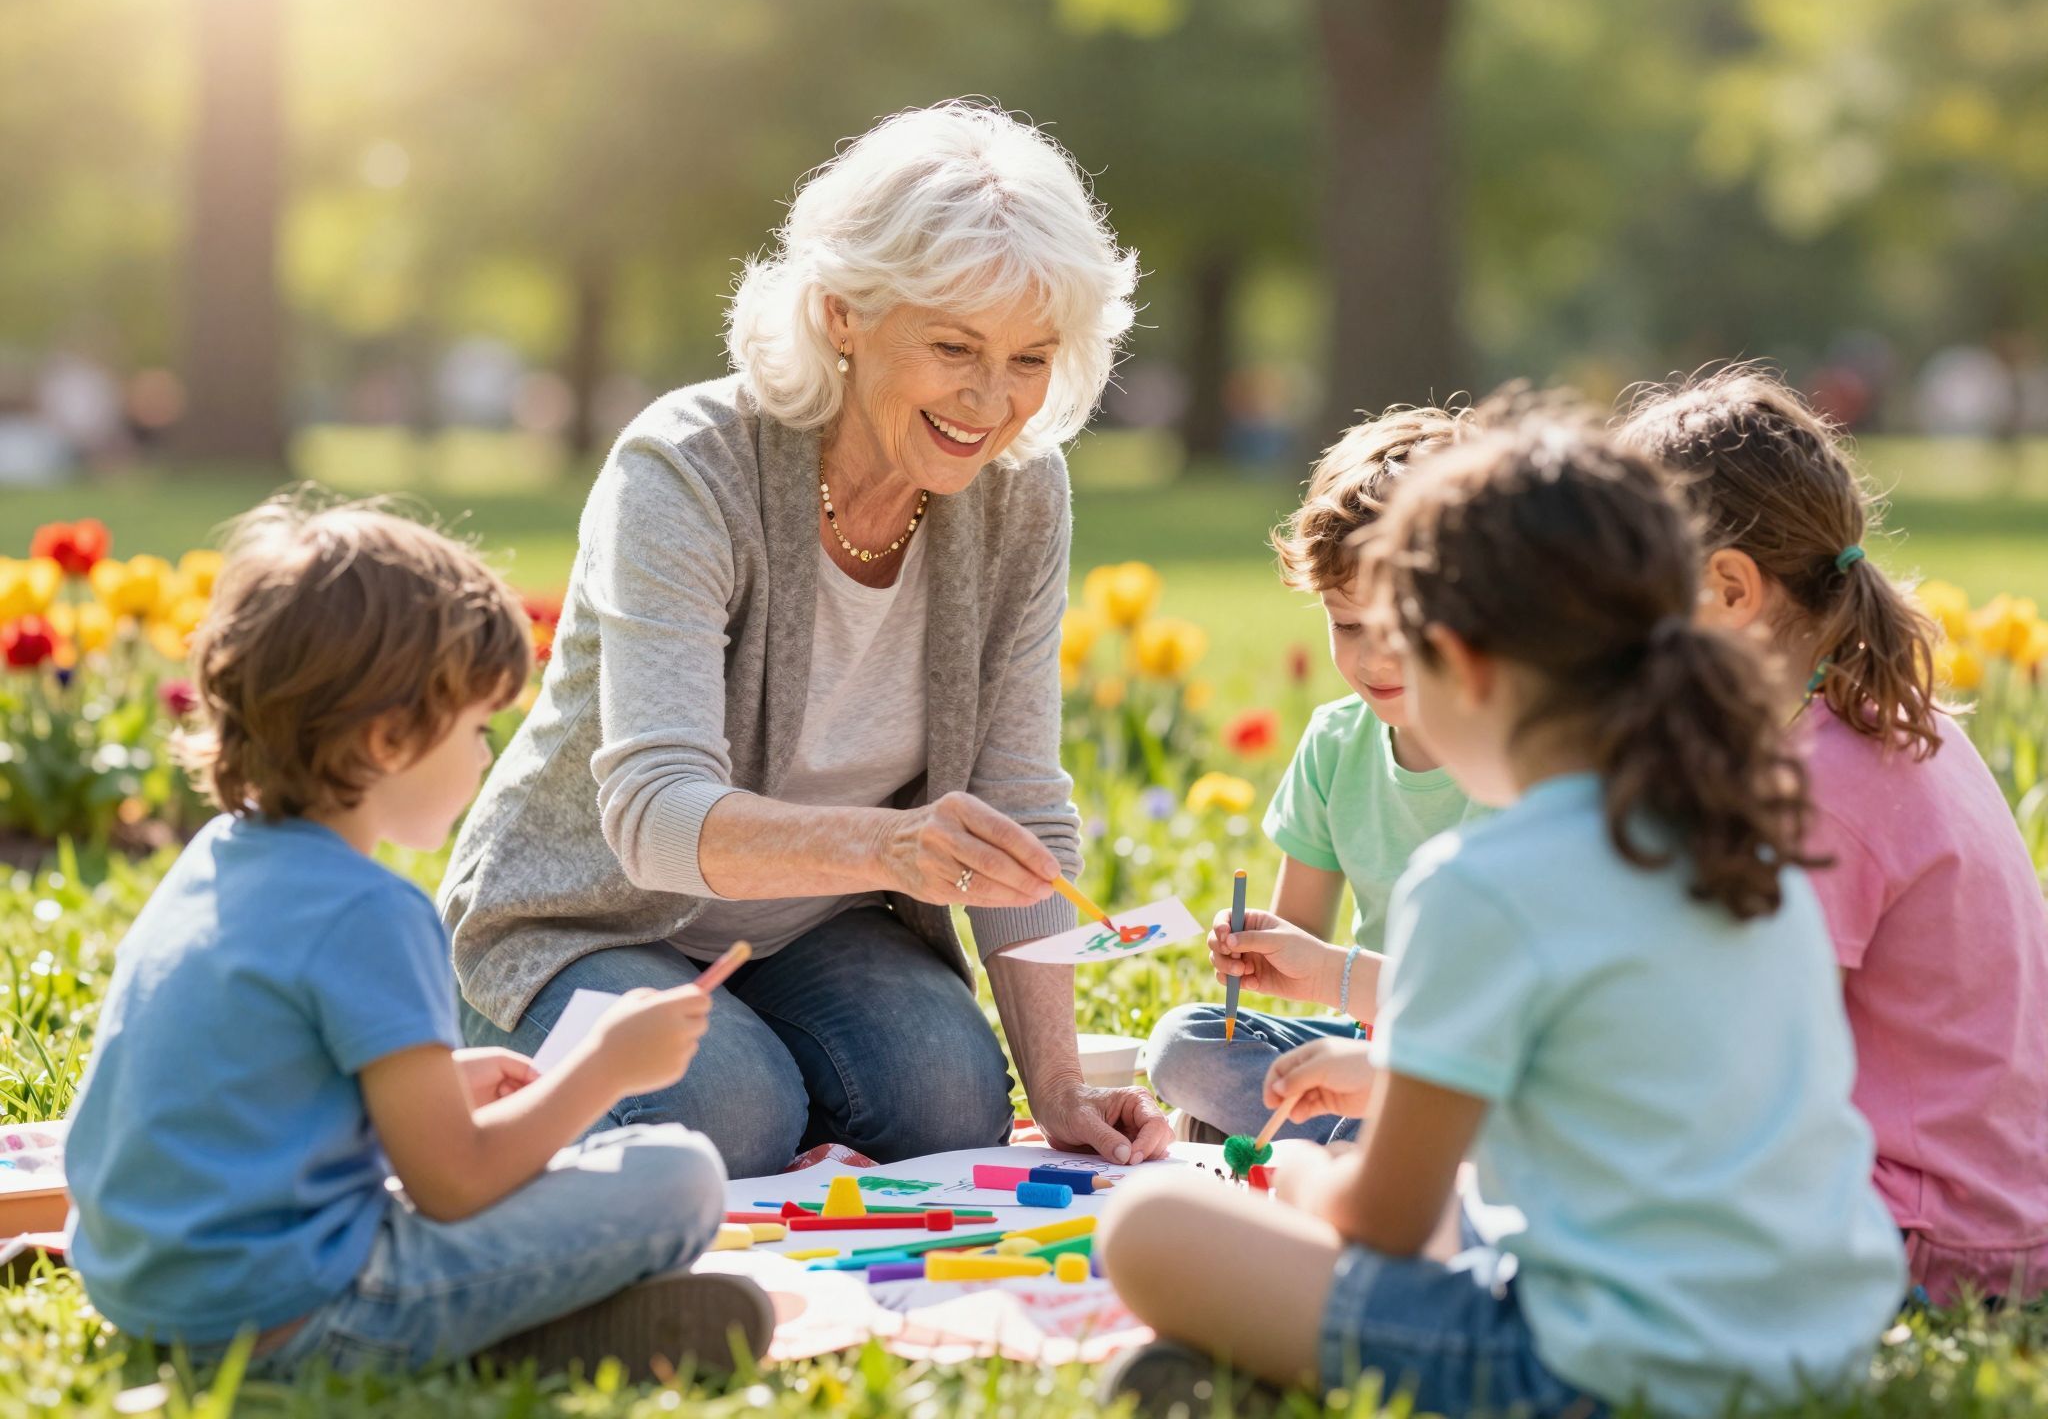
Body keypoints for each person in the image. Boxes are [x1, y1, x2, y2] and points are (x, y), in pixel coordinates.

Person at [1098, 410, 1905, 1418]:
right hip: (1817, 1349)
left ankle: (1269, 1368)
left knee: (1150, 1227)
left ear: (1462, 665)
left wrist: (1302, 1185)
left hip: (1598, 1372)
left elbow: (1384, 1223)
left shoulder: (1480, 884)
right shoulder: (1737, 832)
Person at [441, 101, 1170, 1178]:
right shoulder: (685, 469)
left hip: (806, 930)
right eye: (953, 347)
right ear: (840, 314)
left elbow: (1018, 800)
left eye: (1030, 358)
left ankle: (772, 1071)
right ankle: (510, 1023)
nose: (991, 401)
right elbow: (652, 816)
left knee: (952, 1103)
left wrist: (1059, 1088)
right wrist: (887, 848)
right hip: (587, 920)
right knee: (726, 1115)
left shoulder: (1019, 494)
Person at [63, 498, 768, 1379]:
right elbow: (456, 1182)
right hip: (295, 1316)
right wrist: (607, 1070)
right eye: (476, 729)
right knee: (678, 1174)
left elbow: (257, 1082)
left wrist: (440, 1082)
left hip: (141, 1289)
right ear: (389, 738)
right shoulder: (372, 911)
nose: (484, 756)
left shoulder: (220, 857)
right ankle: (508, 1342)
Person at [1623, 368, 2048, 1305]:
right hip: (1980, 1213)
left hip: (1924, 1239)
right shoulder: (1879, 720)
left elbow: (1728, 1072)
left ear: (1730, 589)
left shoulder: (1819, 793)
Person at [1144, 406, 1484, 1144]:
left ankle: (1340, 1141)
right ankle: (1349, 1139)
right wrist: (1262, 954)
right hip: (1368, 1045)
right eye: (1347, 625)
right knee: (1183, 1043)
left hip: (1477, 1056)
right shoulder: (1338, 742)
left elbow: (1483, 1001)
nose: (1373, 661)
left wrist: (1327, 971)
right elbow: (1299, 942)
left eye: (1399, 629)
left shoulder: (1510, 763)